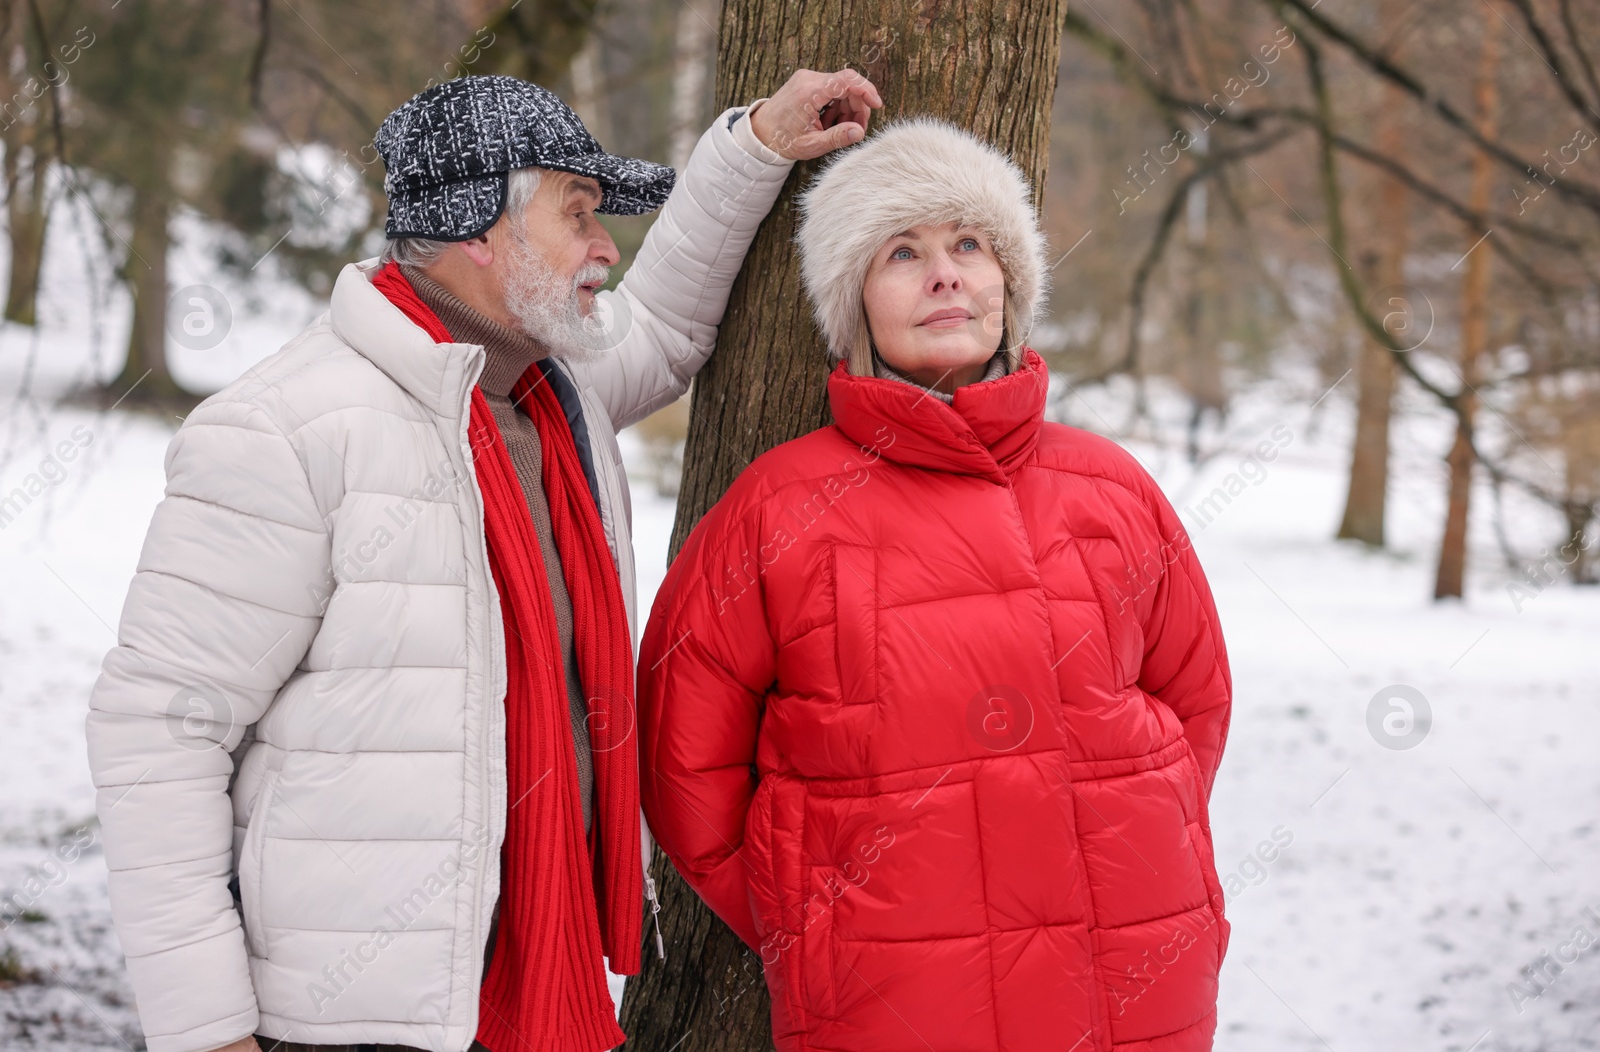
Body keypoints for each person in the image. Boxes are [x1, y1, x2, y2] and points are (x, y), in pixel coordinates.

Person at [85, 69, 880, 1052]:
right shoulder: (287, 427)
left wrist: (756, 143)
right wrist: (205, 1029)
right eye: (578, 213)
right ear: (476, 230)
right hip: (352, 1017)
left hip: (543, 988)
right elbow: (157, 734)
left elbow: (667, 323)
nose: (605, 248)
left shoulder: (558, 397)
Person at [636, 117, 1233, 1051]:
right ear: (854, 303)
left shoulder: (1111, 488)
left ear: (1009, 283)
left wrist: (1143, 833)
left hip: (1133, 973)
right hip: (891, 995)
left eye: (968, 244)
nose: (946, 273)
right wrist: (816, 915)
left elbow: (1195, 706)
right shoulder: (778, 507)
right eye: (902, 253)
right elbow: (686, 765)